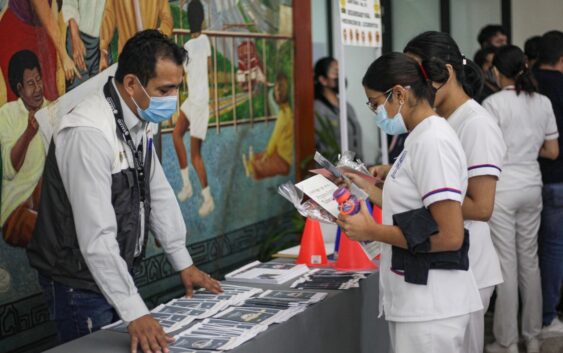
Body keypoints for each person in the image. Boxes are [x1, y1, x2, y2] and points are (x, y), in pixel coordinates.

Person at [26, 30, 222, 352]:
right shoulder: (87, 133)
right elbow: (96, 236)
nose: (173, 100)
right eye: (165, 89)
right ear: (132, 84)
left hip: (113, 275)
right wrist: (135, 311)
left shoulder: (138, 117)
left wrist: (183, 262)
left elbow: (157, 191)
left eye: (177, 88)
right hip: (78, 285)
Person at [338, 52, 483, 353]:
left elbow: (449, 234)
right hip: (419, 299)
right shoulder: (419, 137)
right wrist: (358, 182)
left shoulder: (433, 142)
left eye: (376, 103)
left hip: (433, 305)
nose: (375, 112)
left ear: (400, 94)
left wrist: (372, 231)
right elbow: (405, 205)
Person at [403, 31, 506, 353]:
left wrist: (420, 196)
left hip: (470, 264)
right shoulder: (440, 120)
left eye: (418, 77)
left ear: (445, 73)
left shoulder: (475, 123)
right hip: (449, 261)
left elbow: (481, 205)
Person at [482, 44, 559, 353]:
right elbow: (552, 151)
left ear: (497, 72)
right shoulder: (542, 102)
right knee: (530, 262)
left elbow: (490, 150)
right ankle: (534, 336)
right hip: (532, 185)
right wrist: (527, 149)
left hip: (502, 187)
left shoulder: (492, 104)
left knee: (506, 264)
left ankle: (508, 341)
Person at [0, 50, 48, 247]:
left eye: (39, 80)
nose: (38, 88)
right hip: (16, 206)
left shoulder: (52, 109)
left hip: (46, 197)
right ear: (19, 88)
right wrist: (28, 133)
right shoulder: (6, 114)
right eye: (31, 83)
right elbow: (9, 170)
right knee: (46, 232)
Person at [533, 30, 563, 339]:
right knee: (554, 249)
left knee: (529, 253)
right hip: (557, 179)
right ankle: (547, 315)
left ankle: (529, 317)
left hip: (526, 178)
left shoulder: (527, 84)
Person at [173, 0, 214, 217]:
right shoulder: (205, 40)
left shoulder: (187, 46)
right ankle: (187, 186)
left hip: (198, 104)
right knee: (177, 135)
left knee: (195, 153)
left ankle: (207, 198)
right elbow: (208, 66)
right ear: (203, 19)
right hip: (195, 101)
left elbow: (182, 74)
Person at [242, 72, 293, 180]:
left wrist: (267, 154)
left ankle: (252, 166)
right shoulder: (288, 111)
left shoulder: (284, 114)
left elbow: (274, 138)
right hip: (281, 154)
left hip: (283, 160)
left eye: (278, 90)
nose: (276, 93)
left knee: (260, 161)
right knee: (259, 156)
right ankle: (252, 162)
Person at [99, 0, 174, 71]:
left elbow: (167, 20)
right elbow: (108, 20)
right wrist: (103, 53)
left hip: (150, 54)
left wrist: (155, 39)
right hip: (127, 56)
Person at [314, 56, 362, 159]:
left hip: (355, 168)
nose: (340, 76)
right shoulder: (317, 109)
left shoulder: (347, 107)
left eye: (341, 72)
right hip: (334, 171)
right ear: (323, 80)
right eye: (335, 72)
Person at [62, 0, 107, 90]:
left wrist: (104, 50)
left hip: (101, 42)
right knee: (78, 92)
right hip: (78, 38)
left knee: (101, 91)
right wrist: (75, 38)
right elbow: (69, 3)